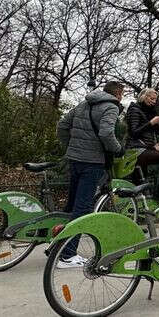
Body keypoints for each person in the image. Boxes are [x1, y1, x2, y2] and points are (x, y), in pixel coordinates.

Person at [55, 81, 125, 267]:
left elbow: (62, 125)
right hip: (92, 162)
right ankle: (67, 255)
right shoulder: (111, 107)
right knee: (83, 208)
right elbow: (106, 133)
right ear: (118, 93)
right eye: (122, 94)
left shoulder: (84, 103)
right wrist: (118, 149)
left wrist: (71, 146)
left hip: (75, 159)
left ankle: (57, 249)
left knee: (71, 205)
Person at [126, 87, 159, 200]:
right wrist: (151, 122)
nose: (153, 101)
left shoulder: (150, 112)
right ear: (143, 97)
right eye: (151, 98)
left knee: (140, 185)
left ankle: (141, 206)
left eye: (155, 99)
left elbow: (158, 132)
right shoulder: (135, 110)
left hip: (145, 148)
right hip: (135, 150)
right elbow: (134, 132)